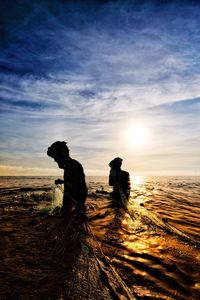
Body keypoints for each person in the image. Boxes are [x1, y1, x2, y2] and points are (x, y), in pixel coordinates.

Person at [47, 141, 88, 220]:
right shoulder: (69, 165)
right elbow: (72, 181)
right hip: (75, 197)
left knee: (68, 217)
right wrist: (63, 182)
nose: (55, 161)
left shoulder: (72, 166)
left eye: (56, 158)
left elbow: (75, 186)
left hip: (77, 197)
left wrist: (71, 206)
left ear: (62, 155)